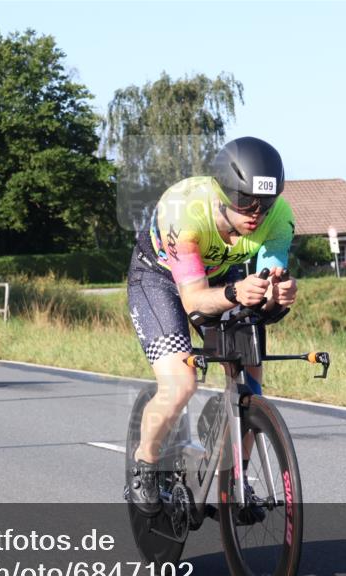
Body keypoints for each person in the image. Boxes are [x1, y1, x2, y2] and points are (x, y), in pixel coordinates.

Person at [125, 137, 298, 515]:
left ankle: (237, 479)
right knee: (181, 384)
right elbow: (194, 301)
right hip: (160, 280)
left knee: (250, 375)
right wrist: (237, 291)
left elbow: (266, 287)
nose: (255, 213)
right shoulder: (184, 212)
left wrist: (278, 294)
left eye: (264, 204)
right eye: (244, 202)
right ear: (222, 193)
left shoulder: (280, 218)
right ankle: (145, 462)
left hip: (221, 277)